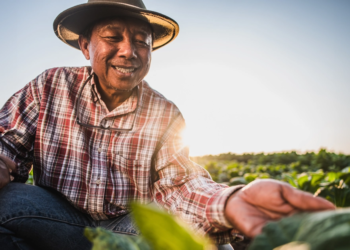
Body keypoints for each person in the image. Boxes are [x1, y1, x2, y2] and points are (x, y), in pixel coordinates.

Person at [0, 0, 335, 249]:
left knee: (197, 235)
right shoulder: (50, 86)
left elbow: (181, 186)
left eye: (141, 41)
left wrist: (231, 201)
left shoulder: (164, 112)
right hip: (56, 219)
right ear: (86, 46)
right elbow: (7, 141)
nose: (129, 51)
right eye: (113, 37)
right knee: (9, 199)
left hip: (129, 229)